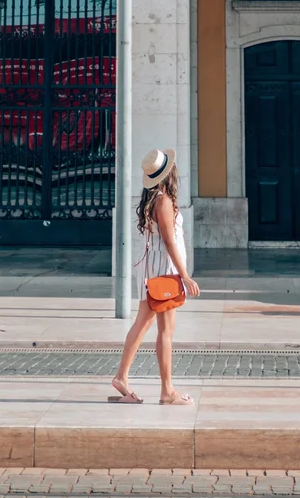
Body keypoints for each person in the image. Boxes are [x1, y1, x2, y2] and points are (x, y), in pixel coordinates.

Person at [111, 147, 199, 406]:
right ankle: (167, 391)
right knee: (165, 330)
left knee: (144, 322)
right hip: (164, 269)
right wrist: (185, 276)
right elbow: (170, 242)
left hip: (154, 266)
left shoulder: (156, 198)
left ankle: (122, 376)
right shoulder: (164, 201)